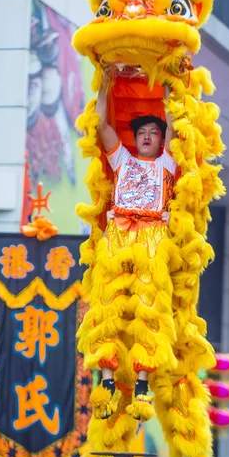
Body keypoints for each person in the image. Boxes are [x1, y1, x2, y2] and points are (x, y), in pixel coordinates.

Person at [79, 70, 177, 422]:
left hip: (152, 236)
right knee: (106, 303)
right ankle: (105, 380)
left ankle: (142, 383)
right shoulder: (122, 160)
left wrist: (168, 88)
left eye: (154, 133)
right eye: (142, 133)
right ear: (134, 139)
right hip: (118, 233)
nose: (148, 136)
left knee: (148, 306)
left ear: (161, 140)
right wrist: (105, 83)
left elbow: (175, 126)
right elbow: (103, 123)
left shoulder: (167, 163)